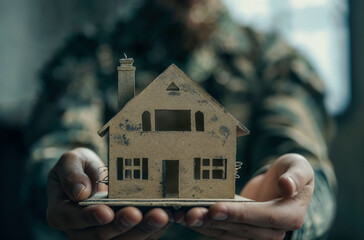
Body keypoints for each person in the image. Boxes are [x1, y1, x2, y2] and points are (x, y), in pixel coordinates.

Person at [24, 0, 336, 239]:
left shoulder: (275, 62)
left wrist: (291, 199)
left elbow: (301, 157)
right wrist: (68, 185)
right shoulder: (88, 58)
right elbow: (60, 151)